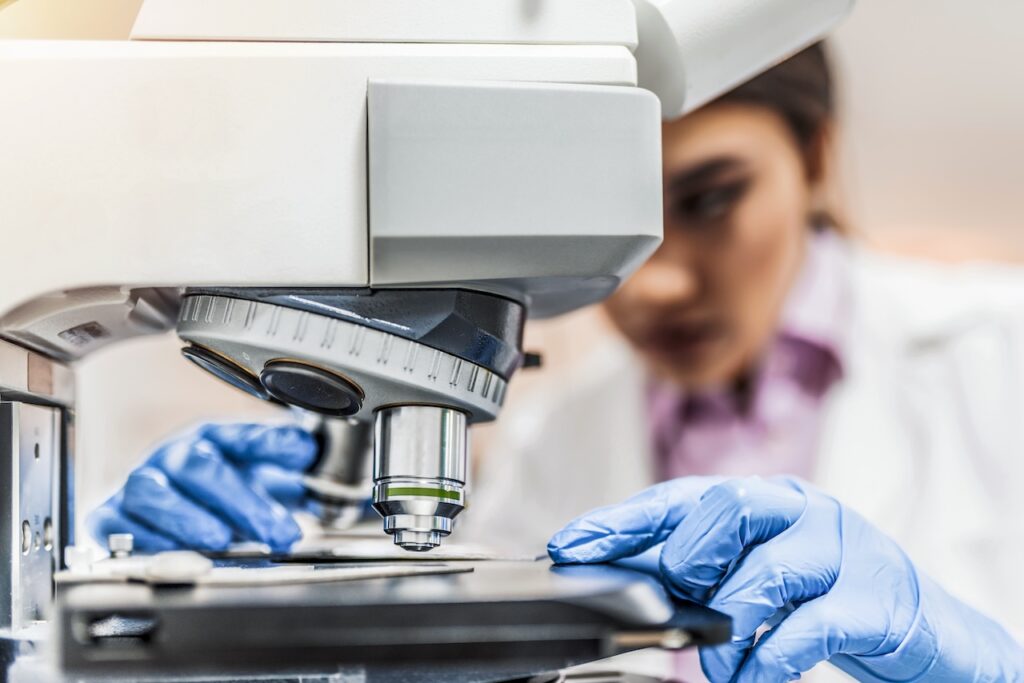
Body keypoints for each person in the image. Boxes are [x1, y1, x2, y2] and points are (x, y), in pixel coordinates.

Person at [90, 44, 1024, 681]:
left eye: (709, 200)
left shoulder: (999, 355)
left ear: (816, 158)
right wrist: (244, 609)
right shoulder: (552, 438)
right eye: (624, 228)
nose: (659, 286)